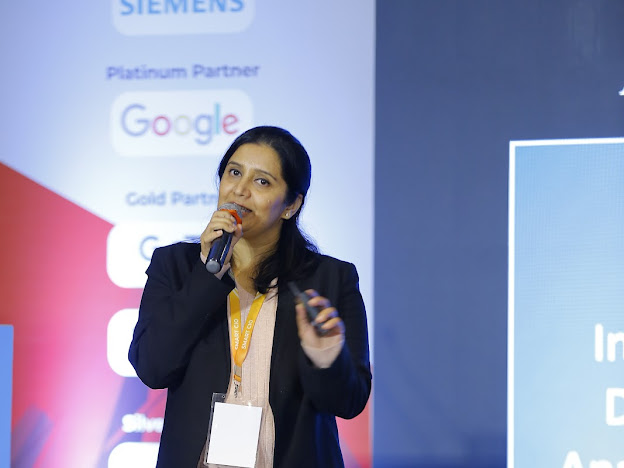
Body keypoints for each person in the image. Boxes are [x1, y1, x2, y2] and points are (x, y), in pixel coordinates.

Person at [128, 125, 371, 468]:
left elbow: (349, 402)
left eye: (262, 182)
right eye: (234, 173)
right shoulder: (176, 266)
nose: (240, 190)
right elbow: (152, 368)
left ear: (291, 205)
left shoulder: (329, 279)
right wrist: (208, 274)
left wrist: (326, 358)